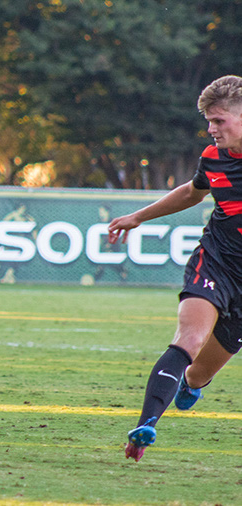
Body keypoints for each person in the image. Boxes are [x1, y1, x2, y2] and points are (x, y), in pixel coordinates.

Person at [108, 75, 242, 462]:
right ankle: (145, 426)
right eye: (209, 121)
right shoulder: (213, 158)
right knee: (189, 338)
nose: (210, 128)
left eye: (219, 121)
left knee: (198, 374)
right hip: (216, 261)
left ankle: (192, 384)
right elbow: (191, 191)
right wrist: (138, 216)